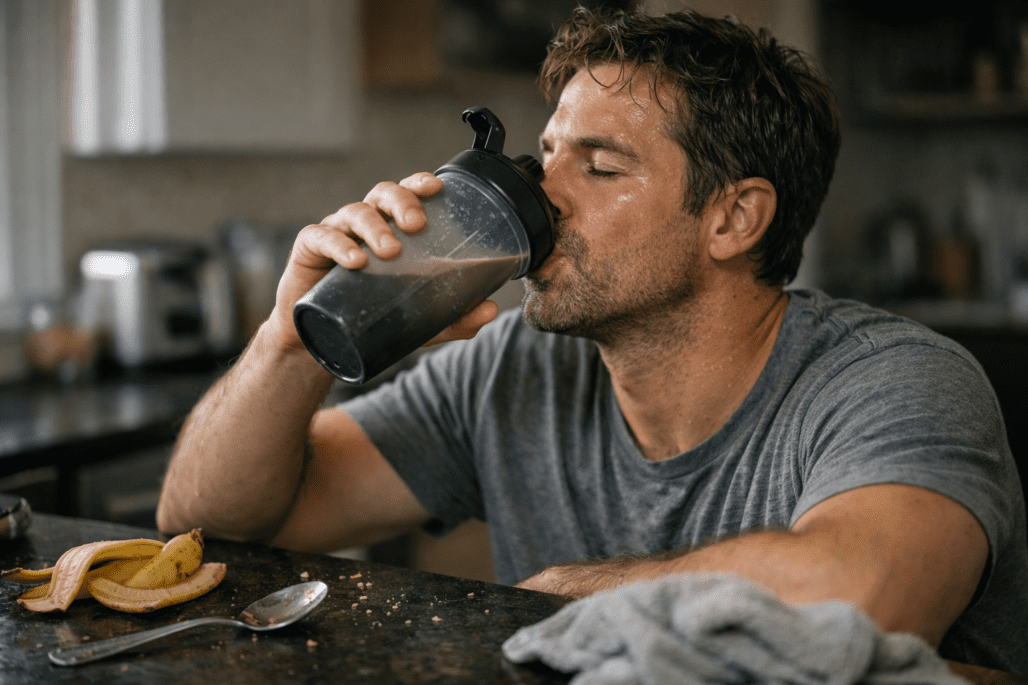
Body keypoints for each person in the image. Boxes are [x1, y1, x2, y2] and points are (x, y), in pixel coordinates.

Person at [156, 7, 1028, 674]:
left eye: (602, 166)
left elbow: (864, 598)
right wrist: (288, 341)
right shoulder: (512, 366)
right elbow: (211, 524)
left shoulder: (898, 380)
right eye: (547, 157)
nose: (545, 193)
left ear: (734, 218)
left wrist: (569, 592)